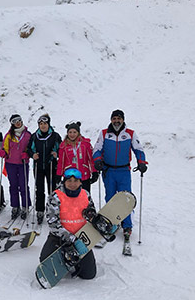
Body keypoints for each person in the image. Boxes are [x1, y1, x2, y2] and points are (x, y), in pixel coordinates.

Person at [93, 109, 147, 243]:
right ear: (111, 120)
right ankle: (111, 222)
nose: (116, 121)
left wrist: (141, 162)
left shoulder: (130, 134)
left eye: (119, 119)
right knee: (110, 198)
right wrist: (98, 160)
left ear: (123, 119)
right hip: (108, 170)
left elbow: (138, 149)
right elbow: (97, 149)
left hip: (123, 171)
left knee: (125, 199)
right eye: (114, 119)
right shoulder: (104, 133)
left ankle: (127, 226)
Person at [40, 168, 98, 280]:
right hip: (59, 237)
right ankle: (64, 257)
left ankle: (76, 261)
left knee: (89, 274)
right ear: (64, 181)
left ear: (80, 182)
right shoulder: (56, 196)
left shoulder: (85, 194)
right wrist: (71, 239)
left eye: (75, 181)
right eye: (69, 181)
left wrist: (93, 217)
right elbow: (53, 224)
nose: (72, 184)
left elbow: (91, 214)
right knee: (45, 262)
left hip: (81, 238)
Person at [27, 114, 61, 224]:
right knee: (39, 190)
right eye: (41, 124)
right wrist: (32, 155)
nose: (43, 126)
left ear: (48, 124)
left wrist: (57, 154)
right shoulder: (34, 136)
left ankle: (53, 210)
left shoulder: (55, 136)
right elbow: (28, 149)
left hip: (51, 165)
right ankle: (40, 211)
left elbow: (62, 149)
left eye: (45, 123)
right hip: (38, 166)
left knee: (52, 190)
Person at [0, 114, 32, 220]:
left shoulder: (27, 135)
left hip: (23, 163)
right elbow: (4, 147)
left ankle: (25, 206)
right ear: (12, 123)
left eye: (19, 120)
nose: (17, 122)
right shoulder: (9, 135)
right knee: (13, 185)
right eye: (14, 121)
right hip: (11, 163)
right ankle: (15, 206)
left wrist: (27, 154)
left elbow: (31, 148)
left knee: (23, 185)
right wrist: (3, 152)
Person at [57, 121, 98, 193]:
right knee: (70, 198)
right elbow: (61, 162)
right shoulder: (64, 145)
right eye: (70, 132)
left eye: (74, 132)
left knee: (84, 197)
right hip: (70, 176)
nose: (72, 134)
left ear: (78, 133)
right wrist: (58, 174)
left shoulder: (85, 144)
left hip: (84, 175)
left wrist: (94, 171)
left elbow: (91, 159)